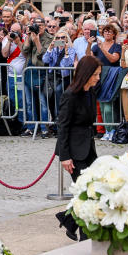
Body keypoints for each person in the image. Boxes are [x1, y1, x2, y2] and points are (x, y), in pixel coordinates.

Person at [54, 55, 101, 241]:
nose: (98, 78)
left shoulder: (90, 92)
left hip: (88, 148)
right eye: (95, 74)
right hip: (74, 151)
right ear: (86, 74)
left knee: (90, 191)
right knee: (86, 193)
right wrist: (65, 156)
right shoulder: (70, 95)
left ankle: (69, 220)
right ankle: (85, 236)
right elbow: (62, 126)